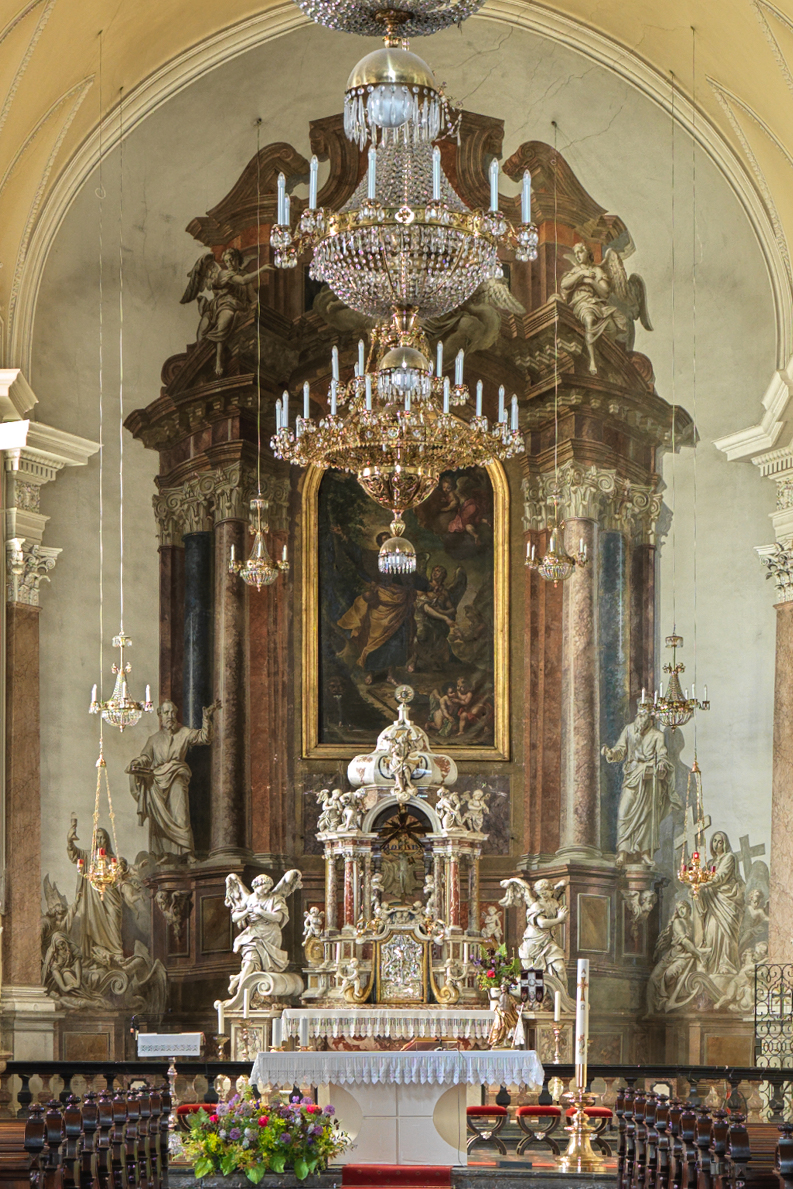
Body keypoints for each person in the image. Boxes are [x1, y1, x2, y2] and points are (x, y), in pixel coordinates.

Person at [127, 699, 220, 858]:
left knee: (181, 815)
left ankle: (187, 853)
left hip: (177, 776)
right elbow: (146, 757)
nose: (169, 716)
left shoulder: (184, 733)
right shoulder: (154, 739)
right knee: (159, 821)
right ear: (160, 716)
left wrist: (206, 718)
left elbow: (205, 737)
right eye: (166, 712)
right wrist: (137, 762)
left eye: (172, 712)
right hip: (157, 783)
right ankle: (163, 854)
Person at [602, 703, 680, 867]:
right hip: (632, 776)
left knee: (647, 816)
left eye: (644, 715)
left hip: (648, 779)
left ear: (651, 717)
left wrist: (661, 764)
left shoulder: (657, 735)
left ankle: (644, 852)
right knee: (624, 812)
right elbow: (620, 750)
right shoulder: (629, 730)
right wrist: (611, 753)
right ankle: (623, 852)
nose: (640, 718)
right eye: (639, 714)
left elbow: (662, 754)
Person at [559, 241, 630, 374]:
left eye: (580, 252)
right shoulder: (576, 270)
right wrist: (582, 274)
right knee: (589, 320)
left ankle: (604, 358)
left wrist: (591, 281)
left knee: (611, 327)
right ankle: (592, 361)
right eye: (576, 253)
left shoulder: (597, 270)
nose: (578, 256)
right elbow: (564, 284)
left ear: (588, 253)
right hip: (581, 302)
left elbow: (605, 292)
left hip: (595, 302)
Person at [66, 817, 123, 960]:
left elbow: (120, 878)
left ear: (107, 840)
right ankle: (97, 954)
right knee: (91, 919)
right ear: (94, 840)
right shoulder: (88, 856)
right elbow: (74, 854)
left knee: (114, 915)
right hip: (92, 899)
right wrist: (70, 841)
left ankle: (117, 951)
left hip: (110, 896)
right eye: (97, 838)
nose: (100, 840)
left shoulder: (112, 859)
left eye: (102, 838)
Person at [694, 831, 745, 980]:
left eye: (720, 841)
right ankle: (712, 967)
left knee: (726, 932)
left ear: (725, 843)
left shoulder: (729, 858)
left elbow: (721, 877)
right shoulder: (710, 863)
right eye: (714, 841)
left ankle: (726, 964)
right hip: (713, 902)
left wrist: (704, 885)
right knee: (711, 931)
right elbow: (702, 878)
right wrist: (696, 883)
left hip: (727, 901)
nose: (717, 844)